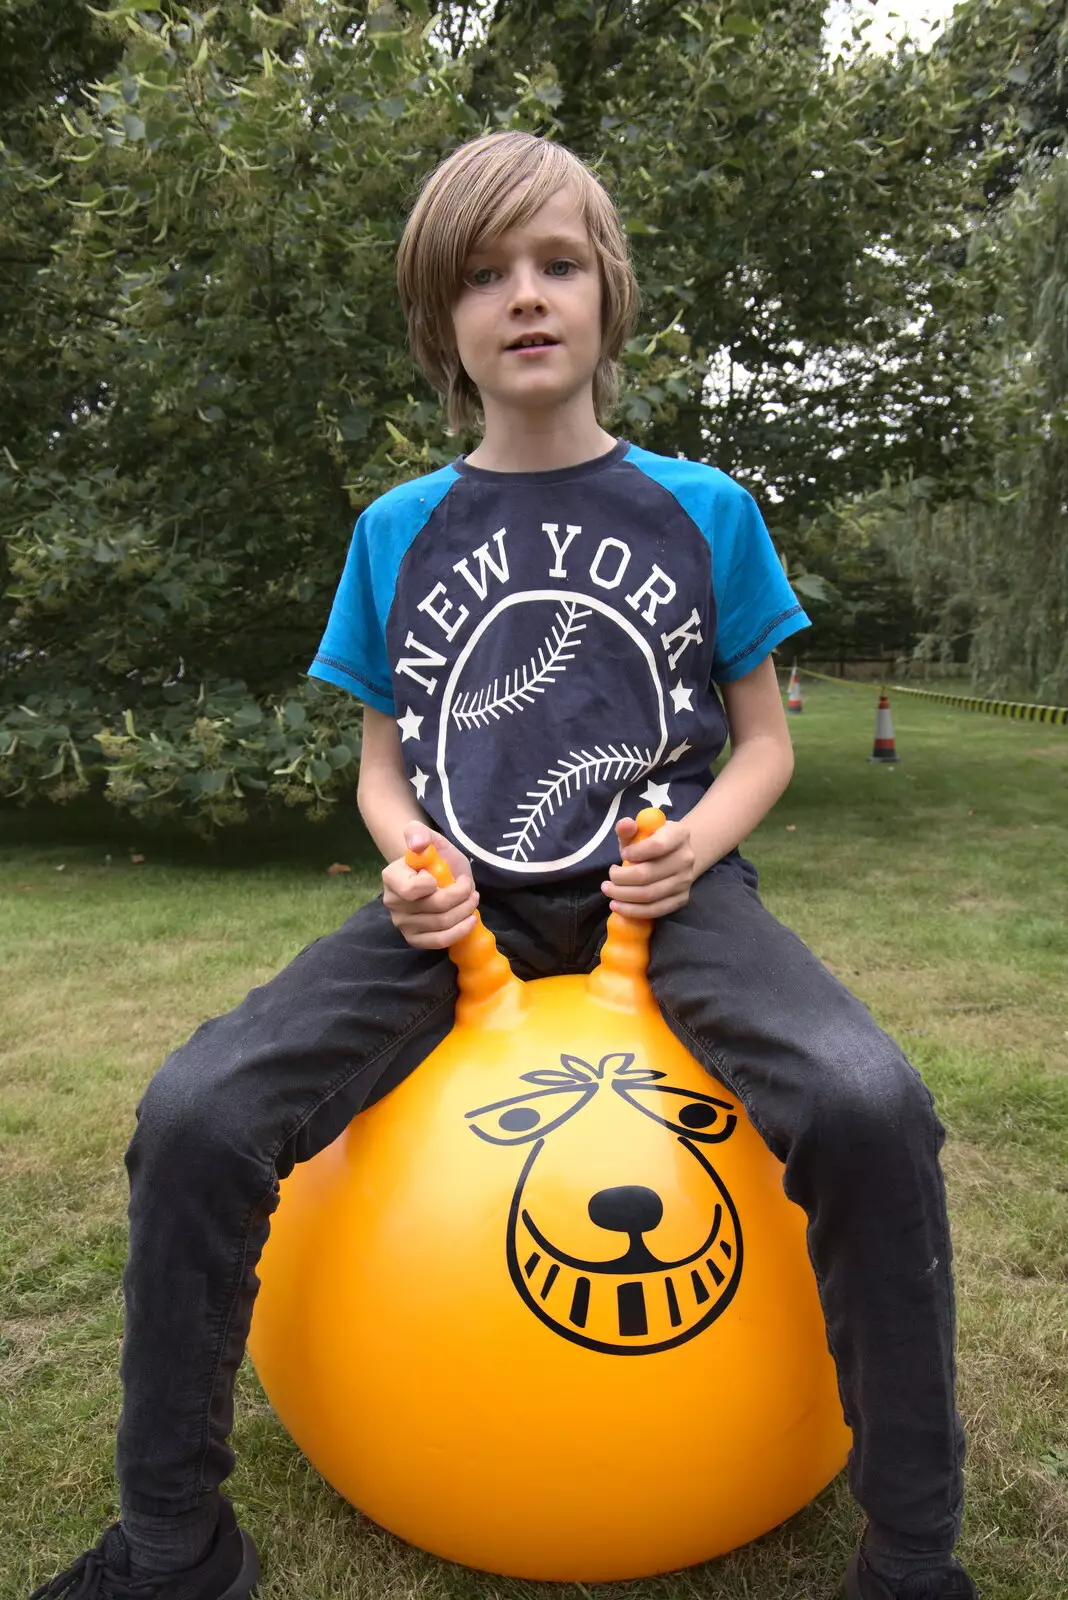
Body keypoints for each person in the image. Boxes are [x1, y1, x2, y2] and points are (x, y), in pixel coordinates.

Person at [30, 131, 975, 1600]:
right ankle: (172, 1546)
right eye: (482, 276)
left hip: (671, 902)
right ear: (440, 322)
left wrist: (690, 854)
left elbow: (767, 742)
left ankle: (917, 1560)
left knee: (869, 1105)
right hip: (457, 907)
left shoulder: (704, 509)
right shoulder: (396, 530)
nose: (522, 298)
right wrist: (410, 858)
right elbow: (382, 765)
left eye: (553, 264)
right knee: (197, 1112)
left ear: (607, 295)